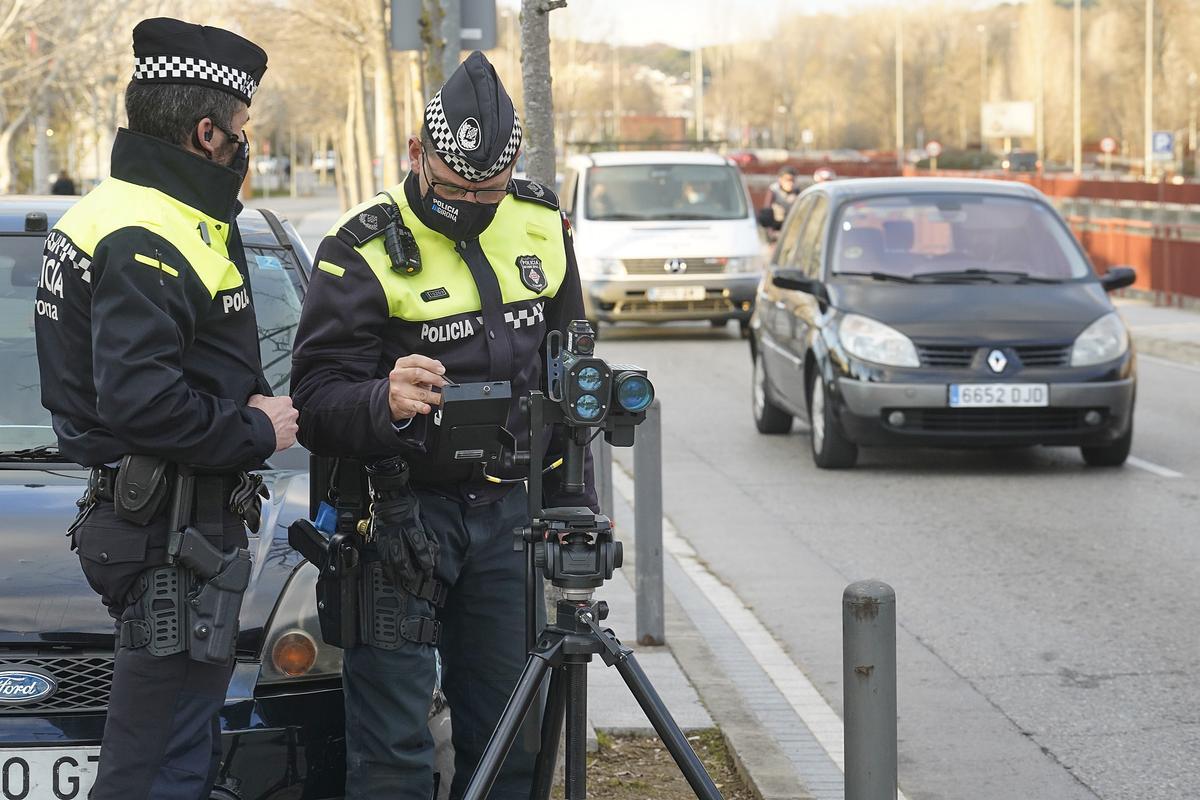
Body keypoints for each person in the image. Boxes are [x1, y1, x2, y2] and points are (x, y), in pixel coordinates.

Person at [291, 50, 595, 800]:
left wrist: (574, 504)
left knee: (510, 740)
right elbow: (313, 398)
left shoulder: (539, 223)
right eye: (454, 189)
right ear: (415, 154)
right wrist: (380, 398)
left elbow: (573, 375)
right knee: (393, 752)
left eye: (486, 192)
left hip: (510, 517)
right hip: (400, 521)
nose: (470, 206)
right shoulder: (359, 248)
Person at [33, 17, 297, 800]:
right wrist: (255, 426)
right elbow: (142, 401)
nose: (248, 144)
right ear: (207, 132)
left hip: (165, 521)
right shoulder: (150, 227)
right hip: (169, 530)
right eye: (243, 129)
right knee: (156, 762)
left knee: (173, 752)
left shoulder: (121, 207)